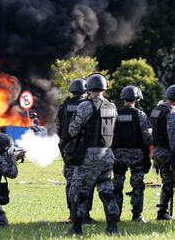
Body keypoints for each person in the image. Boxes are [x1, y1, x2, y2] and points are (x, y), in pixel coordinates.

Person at [66, 73, 119, 235]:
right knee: (107, 191)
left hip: (89, 155)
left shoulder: (85, 106)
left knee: (81, 191)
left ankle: (76, 229)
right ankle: (112, 227)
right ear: (104, 88)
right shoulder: (112, 107)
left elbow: (73, 129)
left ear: (88, 89)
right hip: (107, 154)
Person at [55, 78, 94, 223]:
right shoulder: (89, 105)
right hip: (85, 149)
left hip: (69, 149)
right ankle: (85, 215)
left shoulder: (63, 106)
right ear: (85, 90)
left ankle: (72, 214)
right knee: (87, 182)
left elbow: (58, 129)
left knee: (71, 182)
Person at [112, 85, 153, 223]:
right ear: (136, 98)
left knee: (117, 186)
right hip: (137, 155)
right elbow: (148, 136)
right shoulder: (140, 114)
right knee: (137, 185)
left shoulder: (116, 113)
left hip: (118, 154)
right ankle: (137, 216)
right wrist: (146, 149)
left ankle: (115, 215)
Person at [151, 84, 175, 221]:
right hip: (167, 152)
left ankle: (163, 211)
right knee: (169, 183)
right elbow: (173, 137)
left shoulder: (156, 110)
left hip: (156, 151)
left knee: (166, 181)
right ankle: (163, 213)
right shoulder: (172, 114)